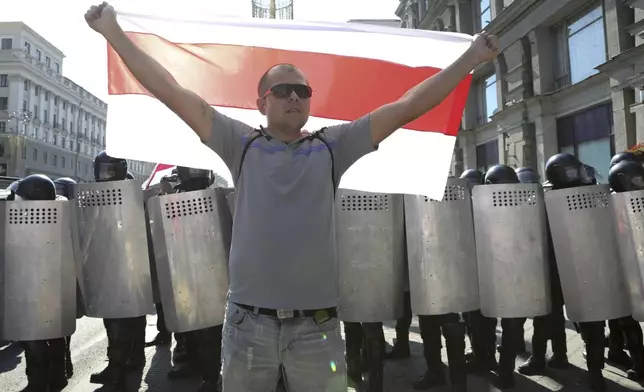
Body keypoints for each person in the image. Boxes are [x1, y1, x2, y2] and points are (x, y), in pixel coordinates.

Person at [84, 3, 499, 390]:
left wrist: (470, 60)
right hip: (248, 328)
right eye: (283, 90)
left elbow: (409, 105)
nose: (295, 97)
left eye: (303, 91)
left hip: (316, 331)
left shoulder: (335, 146)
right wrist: (113, 33)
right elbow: (170, 90)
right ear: (261, 101)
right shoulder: (238, 142)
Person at [89, 151, 147, 388]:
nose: (106, 176)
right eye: (103, 170)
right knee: (112, 319)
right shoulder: (96, 196)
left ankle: (118, 368)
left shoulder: (131, 196)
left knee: (123, 321)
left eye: (110, 171)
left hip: (129, 267)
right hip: (107, 267)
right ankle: (121, 363)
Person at [13, 174, 71, 392]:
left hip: (41, 288)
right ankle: (57, 378)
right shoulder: (56, 217)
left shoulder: (44, 222)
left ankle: (38, 383)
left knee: (35, 340)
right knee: (53, 336)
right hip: (49, 290)